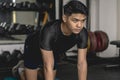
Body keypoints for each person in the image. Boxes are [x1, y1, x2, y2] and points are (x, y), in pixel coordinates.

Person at [24, 0, 88, 80]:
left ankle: (39, 72)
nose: (79, 25)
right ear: (65, 18)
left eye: (83, 21)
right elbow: (48, 66)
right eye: (75, 20)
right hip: (33, 48)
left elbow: (82, 63)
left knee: (46, 76)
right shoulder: (49, 30)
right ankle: (20, 71)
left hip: (52, 51)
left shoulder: (82, 33)